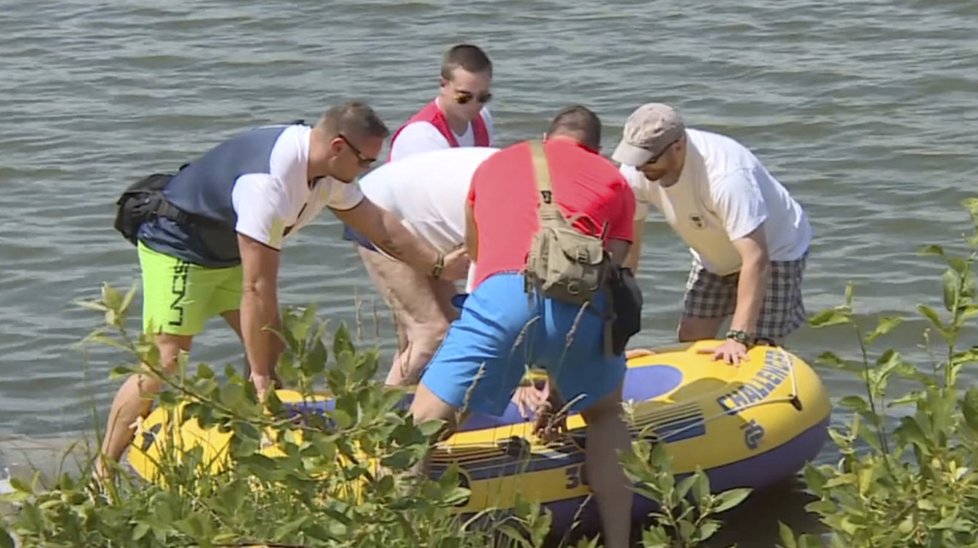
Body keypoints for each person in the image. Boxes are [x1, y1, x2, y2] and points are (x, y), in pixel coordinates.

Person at [97, 102, 469, 475]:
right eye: (365, 162)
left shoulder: (327, 175)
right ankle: (104, 472)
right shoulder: (269, 184)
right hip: (178, 246)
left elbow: (379, 225)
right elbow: (257, 288)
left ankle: (256, 454)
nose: (365, 171)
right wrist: (260, 372)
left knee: (273, 346)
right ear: (338, 147)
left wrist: (437, 264)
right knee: (167, 362)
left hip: (227, 248)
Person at [409, 105, 636, 548]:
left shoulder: (494, 164)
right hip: (583, 305)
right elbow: (619, 262)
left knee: (419, 429)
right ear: (596, 148)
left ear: (545, 136)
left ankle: (397, 532)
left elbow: (476, 250)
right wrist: (562, 384)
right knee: (607, 415)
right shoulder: (613, 178)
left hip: (501, 298)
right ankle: (619, 541)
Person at [611, 102, 812, 365]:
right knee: (692, 337)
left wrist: (738, 336)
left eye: (648, 159)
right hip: (713, 253)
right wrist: (614, 327)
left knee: (759, 347)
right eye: (633, 158)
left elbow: (756, 258)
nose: (639, 168)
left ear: (679, 146)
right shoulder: (635, 172)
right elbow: (629, 250)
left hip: (775, 252)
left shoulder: (726, 177)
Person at [353, 146, 500, 386]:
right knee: (431, 333)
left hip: (415, 210)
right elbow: (482, 303)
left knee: (447, 330)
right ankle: (380, 418)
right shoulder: (514, 207)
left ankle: (414, 396)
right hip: (377, 211)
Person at [387, 44, 495, 161]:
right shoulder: (422, 137)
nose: (474, 105)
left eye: (483, 97)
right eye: (464, 96)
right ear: (443, 85)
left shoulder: (483, 117)